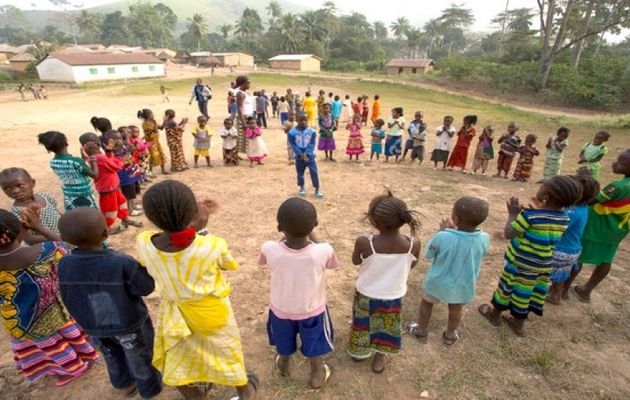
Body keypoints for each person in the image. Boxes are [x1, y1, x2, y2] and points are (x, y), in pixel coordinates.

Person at [136, 181, 259, 399]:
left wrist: (193, 229)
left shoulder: (144, 243)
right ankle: (245, 392)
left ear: (152, 219)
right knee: (227, 354)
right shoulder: (212, 245)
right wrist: (200, 230)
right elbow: (228, 263)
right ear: (194, 213)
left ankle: (195, 396)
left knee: (179, 358)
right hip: (212, 314)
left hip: (175, 317)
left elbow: (157, 258)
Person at [57, 208, 162, 398]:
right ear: (105, 233)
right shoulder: (121, 262)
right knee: (139, 357)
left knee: (112, 355)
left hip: (93, 325)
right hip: (128, 324)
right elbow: (146, 287)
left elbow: (68, 294)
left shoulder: (64, 263)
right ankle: (150, 389)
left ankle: (124, 385)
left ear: (66, 239)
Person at [0, 209, 99, 385]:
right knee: (62, 339)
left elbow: (9, 250)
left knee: (47, 345)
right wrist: (39, 227)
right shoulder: (45, 250)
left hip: (21, 321)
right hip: (53, 310)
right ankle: (79, 361)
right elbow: (66, 244)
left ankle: (69, 367)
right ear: (17, 229)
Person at [478, 176, 583, 337]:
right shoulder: (564, 219)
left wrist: (513, 215)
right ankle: (518, 325)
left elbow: (509, 233)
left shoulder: (530, 216)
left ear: (546, 197)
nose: (538, 190)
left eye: (542, 188)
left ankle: (494, 315)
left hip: (519, 264)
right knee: (525, 293)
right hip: (541, 265)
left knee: (506, 288)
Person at [259, 197, 338, 388]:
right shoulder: (323, 251)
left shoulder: (270, 248)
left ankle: (284, 363)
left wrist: (287, 234)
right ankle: (317, 373)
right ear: (315, 226)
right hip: (312, 310)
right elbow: (332, 264)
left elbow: (266, 259)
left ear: (279, 228)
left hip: (281, 310)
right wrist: (311, 234)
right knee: (315, 343)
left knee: (283, 340)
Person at [348, 191, 421, 373]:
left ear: (374, 222)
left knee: (363, 323)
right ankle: (381, 356)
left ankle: (359, 351)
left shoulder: (365, 242)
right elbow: (412, 265)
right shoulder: (413, 243)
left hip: (366, 293)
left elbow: (356, 261)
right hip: (393, 295)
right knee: (387, 326)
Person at [406, 197, 490, 346]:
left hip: (438, 281)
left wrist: (442, 231)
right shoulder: (484, 238)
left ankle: (421, 331)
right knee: (456, 308)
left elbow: (428, 255)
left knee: (427, 303)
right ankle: (450, 335)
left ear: (455, 218)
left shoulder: (443, 236)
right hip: (463, 283)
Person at [565, 149, 630, 303]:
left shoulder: (617, 186)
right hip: (617, 231)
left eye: (621, 162)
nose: (615, 163)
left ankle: (563, 289)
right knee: (606, 260)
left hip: (595, 228)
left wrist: (585, 178)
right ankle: (586, 291)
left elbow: (591, 200)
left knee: (577, 257)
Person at [545, 175, 600, 305]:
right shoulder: (584, 207)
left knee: (557, 274)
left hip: (563, 249)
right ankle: (556, 292)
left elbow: (559, 227)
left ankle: (555, 296)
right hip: (573, 247)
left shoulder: (572, 211)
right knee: (561, 273)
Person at [37, 131, 99, 210]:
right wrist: (92, 155)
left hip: (69, 197)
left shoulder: (53, 163)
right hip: (84, 196)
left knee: (74, 217)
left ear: (48, 149)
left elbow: (74, 170)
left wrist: (82, 159)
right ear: (66, 142)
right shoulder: (75, 161)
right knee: (89, 217)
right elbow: (95, 175)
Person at [96, 130, 142, 234]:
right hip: (108, 190)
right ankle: (106, 228)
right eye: (117, 140)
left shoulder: (108, 154)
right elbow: (116, 166)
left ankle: (125, 219)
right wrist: (122, 157)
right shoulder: (100, 158)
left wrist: (111, 152)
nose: (120, 141)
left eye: (120, 138)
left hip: (114, 187)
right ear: (105, 144)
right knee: (110, 211)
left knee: (122, 203)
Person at [0, 167, 61, 244]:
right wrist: (58, 237)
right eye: (7, 189)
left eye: (19, 185)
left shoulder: (45, 197)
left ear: (32, 183)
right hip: (47, 247)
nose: (15, 191)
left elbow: (58, 215)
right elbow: (30, 239)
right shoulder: (17, 212)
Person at [288, 113, 323, 198]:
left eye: (305, 120)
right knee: (300, 172)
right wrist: (300, 153)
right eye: (301, 120)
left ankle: (317, 189)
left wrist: (307, 153)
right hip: (299, 155)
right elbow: (293, 144)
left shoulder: (312, 131)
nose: (303, 122)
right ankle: (302, 187)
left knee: (314, 172)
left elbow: (312, 143)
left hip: (310, 155)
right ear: (296, 120)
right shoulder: (292, 132)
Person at [113, 128, 143, 217]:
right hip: (125, 175)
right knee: (128, 193)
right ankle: (130, 210)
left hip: (130, 173)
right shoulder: (117, 150)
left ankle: (133, 207)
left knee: (132, 191)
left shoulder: (124, 146)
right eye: (118, 138)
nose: (128, 134)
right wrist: (129, 153)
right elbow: (123, 161)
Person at [138, 109, 168, 176]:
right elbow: (151, 134)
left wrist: (164, 121)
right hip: (150, 143)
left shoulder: (154, 121)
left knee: (161, 154)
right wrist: (155, 127)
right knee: (152, 156)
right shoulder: (145, 124)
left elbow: (161, 128)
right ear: (148, 115)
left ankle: (163, 170)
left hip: (156, 141)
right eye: (152, 114)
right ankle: (150, 172)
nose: (153, 115)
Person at [236, 75, 255, 154]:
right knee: (240, 137)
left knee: (249, 137)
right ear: (242, 84)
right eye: (247, 83)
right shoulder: (240, 94)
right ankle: (235, 155)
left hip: (249, 117)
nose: (249, 85)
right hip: (243, 117)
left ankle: (250, 153)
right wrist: (243, 122)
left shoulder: (246, 93)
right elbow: (239, 108)